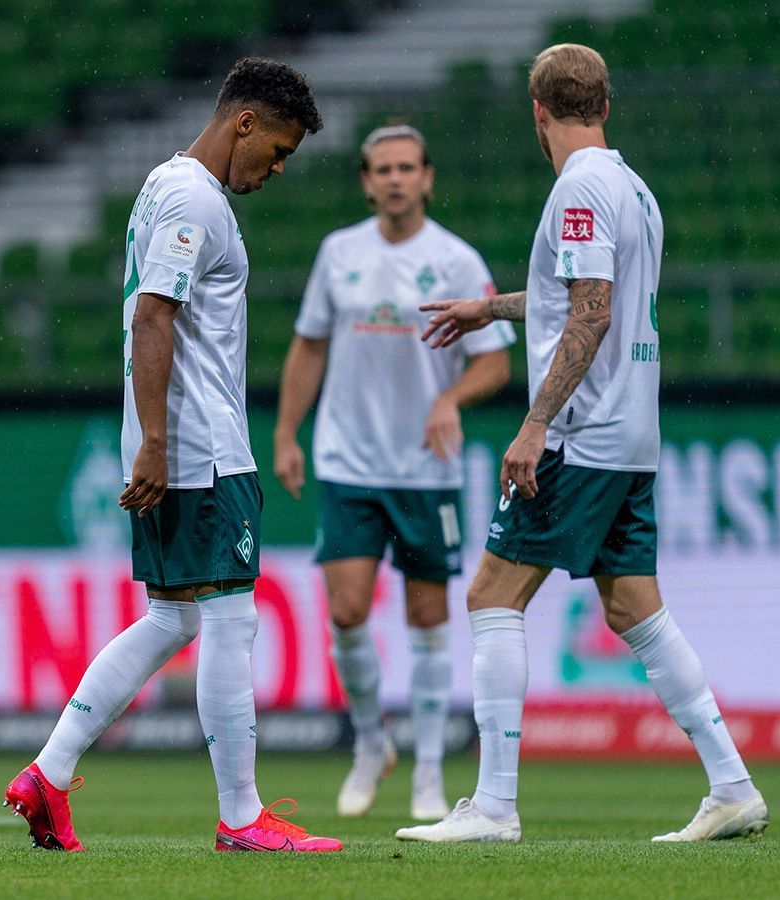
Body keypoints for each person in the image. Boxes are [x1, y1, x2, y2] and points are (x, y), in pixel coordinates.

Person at [396, 44, 768, 843]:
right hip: (632, 433)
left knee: (492, 593)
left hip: (581, 433)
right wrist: (489, 310)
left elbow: (591, 312)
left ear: (538, 112)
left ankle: (494, 807)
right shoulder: (632, 185)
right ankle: (732, 786)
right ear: (607, 103)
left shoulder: (581, 187)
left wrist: (535, 424)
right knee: (635, 606)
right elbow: (582, 293)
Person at [4, 57, 340, 853]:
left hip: (172, 439)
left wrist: (149, 440)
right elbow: (153, 316)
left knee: (173, 616)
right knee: (228, 615)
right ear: (244, 123)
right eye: (278, 148)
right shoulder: (195, 199)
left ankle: (48, 775)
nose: (279, 167)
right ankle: (241, 816)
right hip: (199, 446)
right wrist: (158, 442)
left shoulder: (164, 183)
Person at [272, 123, 514, 822]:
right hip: (347, 460)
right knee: (346, 611)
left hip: (425, 468)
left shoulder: (459, 261)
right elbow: (309, 347)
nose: (396, 178)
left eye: (408, 167)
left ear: (428, 177)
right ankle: (372, 740)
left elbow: (495, 362)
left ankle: (431, 772)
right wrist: (288, 431)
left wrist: (450, 396)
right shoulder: (338, 253)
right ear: (366, 180)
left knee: (428, 616)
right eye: (383, 168)